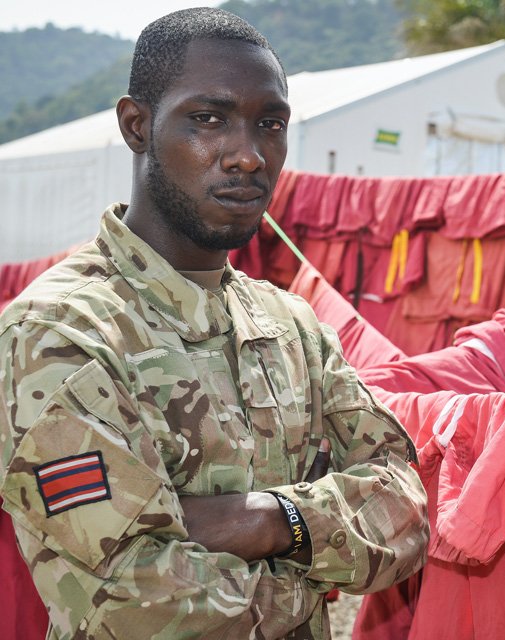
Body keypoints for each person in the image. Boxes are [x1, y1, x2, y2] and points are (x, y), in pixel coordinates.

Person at [0, 8, 428, 639]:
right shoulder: (61, 332)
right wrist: (318, 558)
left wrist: (266, 519)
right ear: (137, 125)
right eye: (208, 118)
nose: (249, 156)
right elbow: (138, 604)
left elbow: (407, 513)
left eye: (271, 125)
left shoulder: (290, 324)